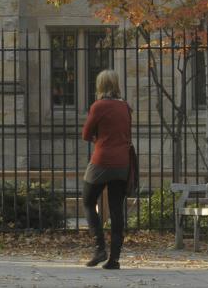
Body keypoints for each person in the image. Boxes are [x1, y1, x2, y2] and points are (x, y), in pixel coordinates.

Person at [81, 69, 132, 270]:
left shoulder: (98, 106)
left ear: (100, 86)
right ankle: (115, 259)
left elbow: (86, 134)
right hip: (122, 163)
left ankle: (99, 247)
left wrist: (97, 139)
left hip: (102, 160)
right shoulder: (126, 107)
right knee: (117, 210)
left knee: (87, 200)